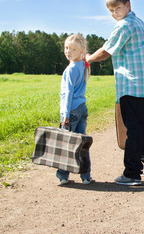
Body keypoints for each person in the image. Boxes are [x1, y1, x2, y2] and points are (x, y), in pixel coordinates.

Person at [86, 0, 144, 186]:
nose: (114, 13)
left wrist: (88, 59)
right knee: (143, 126)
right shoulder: (141, 24)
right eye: (111, 10)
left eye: (117, 8)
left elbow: (107, 50)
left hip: (131, 84)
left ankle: (131, 173)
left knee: (133, 130)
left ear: (128, 5)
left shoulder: (124, 26)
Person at [57, 34, 93, 185]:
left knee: (66, 144)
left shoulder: (71, 69)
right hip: (81, 108)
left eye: (73, 49)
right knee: (81, 144)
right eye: (66, 48)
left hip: (71, 111)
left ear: (81, 50)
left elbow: (68, 94)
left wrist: (65, 114)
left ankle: (63, 176)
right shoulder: (83, 65)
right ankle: (85, 176)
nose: (68, 51)